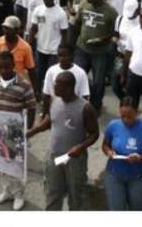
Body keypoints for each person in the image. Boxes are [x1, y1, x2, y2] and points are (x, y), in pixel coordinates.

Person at [27, 70, 99, 211]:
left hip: (74, 160)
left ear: (68, 88)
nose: (54, 88)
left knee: (76, 196)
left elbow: (94, 134)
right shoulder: (55, 100)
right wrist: (32, 131)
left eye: (57, 85)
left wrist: (80, 147)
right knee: (52, 192)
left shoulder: (85, 108)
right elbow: (50, 120)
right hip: (53, 155)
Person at [0, 50, 36, 210]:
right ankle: (6, 191)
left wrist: (27, 131)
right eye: (1, 68)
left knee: (13, 165)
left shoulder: (24, 85)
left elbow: (32, 107)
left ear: (13, 66)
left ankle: (19, 194)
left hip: (14, 132)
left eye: (7, 67)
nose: (4, 71)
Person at [102, 96, 142, 211]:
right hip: (114, 174)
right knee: (115, 209)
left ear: (137, 113)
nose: (126, 120)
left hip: (138, 178)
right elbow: (105, 144)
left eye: (130, 117)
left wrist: (139, 158)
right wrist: (108, 151)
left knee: (136, 209)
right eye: (123, 116)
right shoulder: (113, 126)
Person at [72, 0, 117, 112]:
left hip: (100, 52)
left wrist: (104, 40)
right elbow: (77, 23)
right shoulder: (84, 5)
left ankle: (95, 106)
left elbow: (115, 33)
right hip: (82, 48)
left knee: (98, 82)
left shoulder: (111, 12)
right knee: (78, 76)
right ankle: (78, 102)